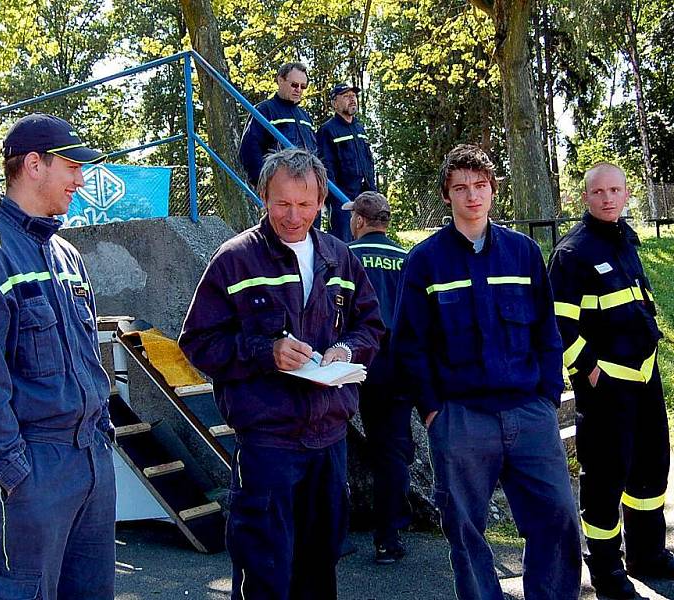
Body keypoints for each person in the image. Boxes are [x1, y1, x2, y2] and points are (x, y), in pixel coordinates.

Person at [179, 147, 384, 599]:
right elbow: (196, 342)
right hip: (267, 444)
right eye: (282, 204)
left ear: (322, 202)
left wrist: (347, 347)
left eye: (306, 204)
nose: (294, 216)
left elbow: (371, 325)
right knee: (264, 571)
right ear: (263, 196)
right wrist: (265, 351)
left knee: (320, 567)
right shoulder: (234, 259)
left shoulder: (340, 257)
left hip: (330, 440)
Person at [0, 113, 116, 599]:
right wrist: (17, 477)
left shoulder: (66, 256)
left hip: (89, 461)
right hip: (33, 472)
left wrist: (101, 437)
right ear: (34, 165)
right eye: (72, 165)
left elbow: (88, 363)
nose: (81, 178)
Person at [390, 144, 581, 600]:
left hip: (528, 411)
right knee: (466, 530)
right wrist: (434, 411)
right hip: (460, 418)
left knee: (558, 516)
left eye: (480, 186)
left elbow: (547, 332)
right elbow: (408, 343)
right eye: (461, 188)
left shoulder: (524, 253)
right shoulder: (425, 260)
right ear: (446, 195)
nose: (472, 196)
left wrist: (548, 396)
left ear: (493, 191)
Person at [548, 162, 674, 598]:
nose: (607, 198)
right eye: (598, 191)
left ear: (625, 194)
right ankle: (606, 572)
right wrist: (590, 370)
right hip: (606, 388)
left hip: (645, 378)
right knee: (604, 480)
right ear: (585, 197)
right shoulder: (572, 253)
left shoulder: (625, 241)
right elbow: (558, 326)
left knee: (651, 468)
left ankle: (648, 553)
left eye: (615, 190)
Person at [344, 192, 413, 564]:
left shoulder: (345, 256)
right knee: (392, 454)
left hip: (351, 361)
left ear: (358, 220)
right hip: (396, 368)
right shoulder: (408, 259)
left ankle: (333, 535)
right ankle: (388, 538)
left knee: (331, 443)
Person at [239, 62, 318, 189]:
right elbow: (249, 150)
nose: (298, 90)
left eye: (303, 86)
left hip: (307, 187)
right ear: (280, 80)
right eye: (294, 85)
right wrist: (265, 185)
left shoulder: (305, 117)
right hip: (280, 187)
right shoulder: (264, 111)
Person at [317, 83, 377, 243]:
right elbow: (326, 167)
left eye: (354, 96)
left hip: (366, 196)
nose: (352, 100)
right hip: (342, 200)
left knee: (368, 242)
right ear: (334, 103)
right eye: (346, 96)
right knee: (343, 244)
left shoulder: (359, 128)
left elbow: (369, 162)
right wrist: (335, 198)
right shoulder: (327, 130)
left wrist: (374, 192)